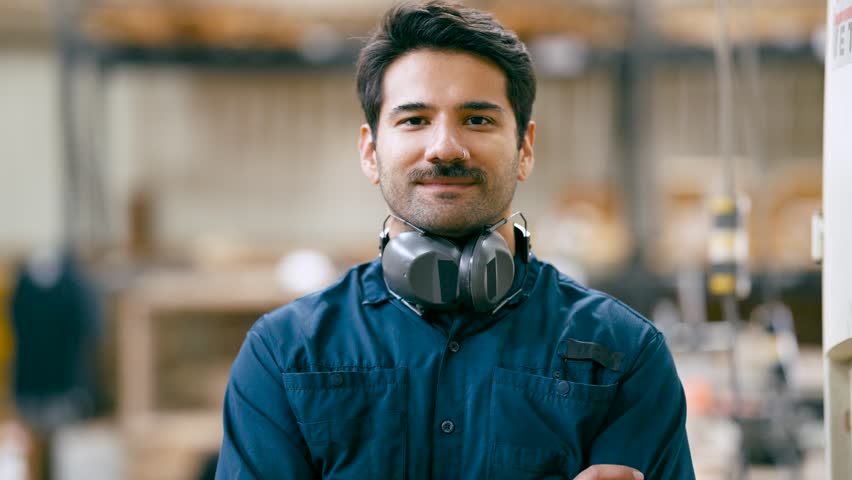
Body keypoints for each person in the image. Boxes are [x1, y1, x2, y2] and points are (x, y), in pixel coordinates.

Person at [216, 2, 695, 479]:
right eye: (414, 120)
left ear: (525, 149)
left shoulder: (624, 356)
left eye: (478, 120)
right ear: (370, 151)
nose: (445, 147)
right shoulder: (285, 354)